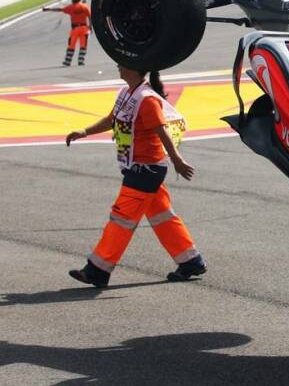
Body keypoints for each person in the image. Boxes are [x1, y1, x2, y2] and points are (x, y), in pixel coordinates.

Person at [65, 65, 207, 287]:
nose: (118, 66)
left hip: (146, 169)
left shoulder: (147, 100)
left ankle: (97, 270)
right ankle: (191, 261)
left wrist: (178, 161)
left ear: (134, 69)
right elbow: (110, 119)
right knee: (163, 217)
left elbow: (163, 132)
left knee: (121, 219)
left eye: (123, 64)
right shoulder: (125, 93)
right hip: (137, 167)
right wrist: (84, 132)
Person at [42, 0, 91, 66]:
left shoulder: (71, 7)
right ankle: (81, 61)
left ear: (73, 0)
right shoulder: (85, 7)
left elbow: (59, 9)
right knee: (83, 45)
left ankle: (68, 61)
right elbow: (90, 17)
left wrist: (47, 9)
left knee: (71, 45)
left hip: (75, 29)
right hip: (84, 28)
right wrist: (90, 27)